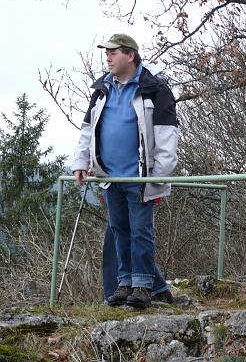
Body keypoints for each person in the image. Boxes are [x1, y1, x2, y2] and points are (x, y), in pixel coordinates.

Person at [70, 33, 179, 308]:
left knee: (141, 230)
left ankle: (143, 286)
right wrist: (81, 163)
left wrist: (158, 176)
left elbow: (167, 136)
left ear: (130, 55)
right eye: (107, 52)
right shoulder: (102, 89)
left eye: (114, 52)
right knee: (120, 229)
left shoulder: (155, 89)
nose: (108, 57)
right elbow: (88, 131)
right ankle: (125, 282)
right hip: (110, 176)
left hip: (140, 176)